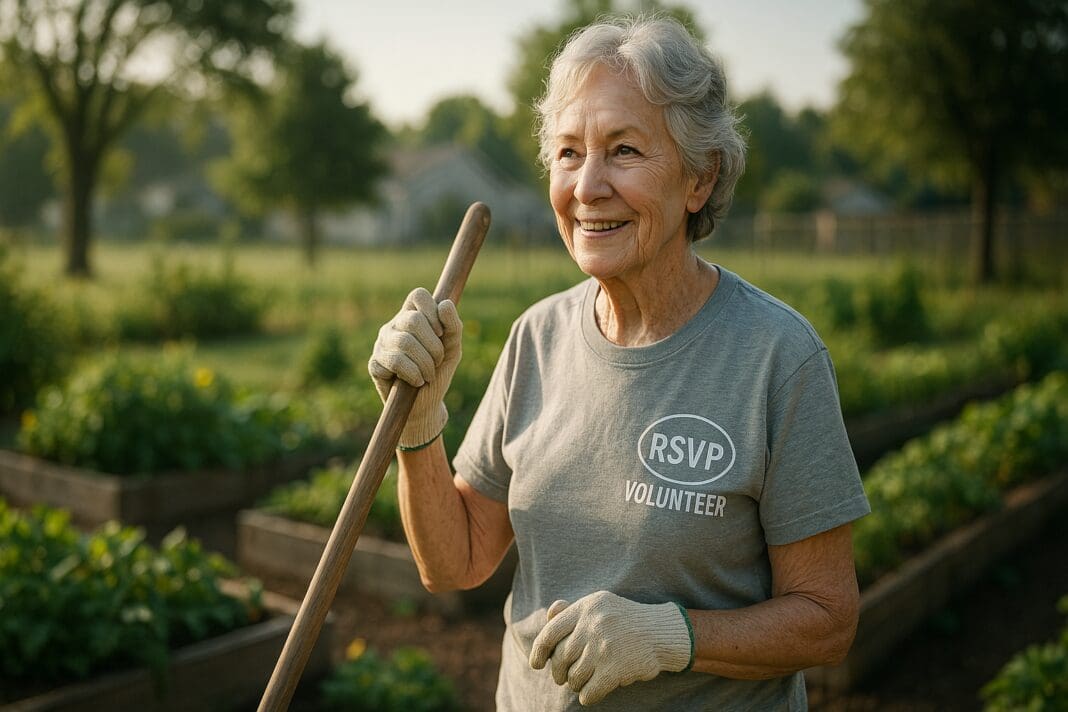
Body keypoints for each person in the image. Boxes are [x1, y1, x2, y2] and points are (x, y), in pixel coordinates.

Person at [368, 15, 870, 710]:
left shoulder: (777, 359)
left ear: (700, 178)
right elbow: (454, 563)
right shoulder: (536, 337)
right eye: (569, 153)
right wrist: (420, 428)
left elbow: (827, 621)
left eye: (624, 150)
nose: (587, 186)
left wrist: (673, 637)